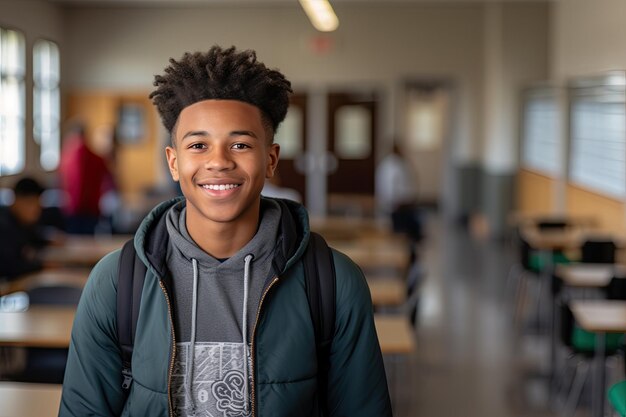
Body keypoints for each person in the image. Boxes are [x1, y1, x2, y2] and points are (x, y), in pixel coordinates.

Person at [59, 46, 392, 417]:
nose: (218, 161)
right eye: (198, 145)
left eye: (240, 144)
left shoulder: (333, 282)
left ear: (270, 160)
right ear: (173, 161)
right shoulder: (116, 282)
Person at [58, 121, 114, 234]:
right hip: (91, 207)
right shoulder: (97, 158)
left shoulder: (66, 158)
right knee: (88, 240)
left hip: (73, 207)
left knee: (73, 241)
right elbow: (110, 180)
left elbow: (61, 181)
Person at [0, 177, 48, 279]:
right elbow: (9, 266)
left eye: (38, 205)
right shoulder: (4, 226)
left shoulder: (22, 223)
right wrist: (42, 266)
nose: (36, 210)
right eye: (31, 203)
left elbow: (34, 238)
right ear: (16, 201)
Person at [376, 142, 422, 241]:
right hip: (398, 202)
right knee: (399, 230)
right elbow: (389, 186)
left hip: (403, 201)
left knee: (405, 228)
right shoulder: (392, 165)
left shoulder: (402, 163)